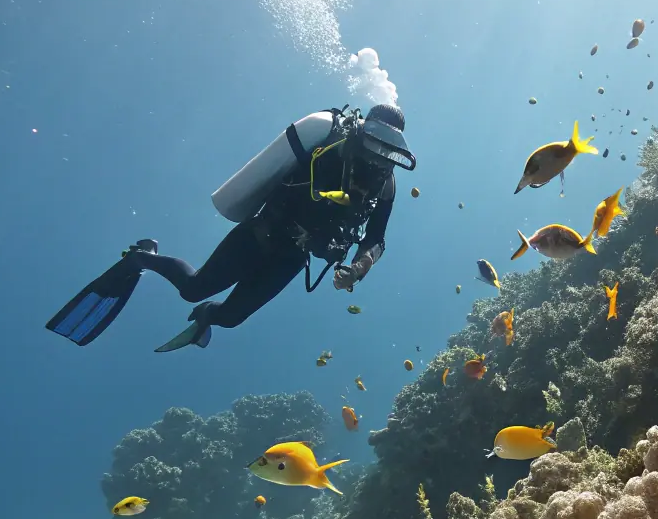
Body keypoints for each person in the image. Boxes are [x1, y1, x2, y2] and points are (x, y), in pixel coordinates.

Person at [46, 103, 415, 351]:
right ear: (361, 130)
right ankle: (142, 257)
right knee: (192, 290)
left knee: (231, 318)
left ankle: (209, 314)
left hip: (292, 259)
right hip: (259, 235)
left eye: (390, 149)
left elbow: (376, 239)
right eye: (376, 142)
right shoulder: (328, 136)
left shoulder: (387, 184)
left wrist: (359, 268)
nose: (380, 157)